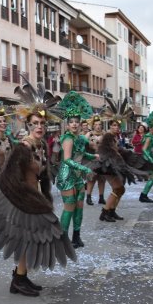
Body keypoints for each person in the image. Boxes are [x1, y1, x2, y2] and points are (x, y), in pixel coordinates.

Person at [0, 79, 75, 297]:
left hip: (34, 198)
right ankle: (19, 278)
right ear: (28, 125)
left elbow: (44, 175)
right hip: (21, 201)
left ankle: (20, 277)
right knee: (29, 238)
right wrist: (31, 202)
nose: (39, 127)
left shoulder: (42, 145)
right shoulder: (22, 148)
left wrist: (44, 196)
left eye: (42, 124)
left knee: (27, 240)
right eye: (35, 123)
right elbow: (10, 180)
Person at [55, 91, 95, 248]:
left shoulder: (79, 138)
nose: (74, 124)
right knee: (69, 207)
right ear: (67, 123)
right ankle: (62, 240)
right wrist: (84, 169)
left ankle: (76, 237)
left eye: (76, 121)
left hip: (77, 175)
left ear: (80, 123)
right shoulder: (68, 139)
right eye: (71, 121)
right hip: (67, 176)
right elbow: (67, 159)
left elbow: (81, 154)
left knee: (79, 207)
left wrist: (93, 157)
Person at [84, 115, 107, 206]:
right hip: (92, 159)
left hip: (102, 160)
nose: (98, 126)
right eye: (96, 124)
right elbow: (83, 142)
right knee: (91, 179)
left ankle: (101, 197)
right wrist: (88, 134)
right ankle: (88, 197)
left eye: (99, 124)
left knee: (102, 179)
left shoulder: (105, 134)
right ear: (93, 125)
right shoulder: (89, 134)